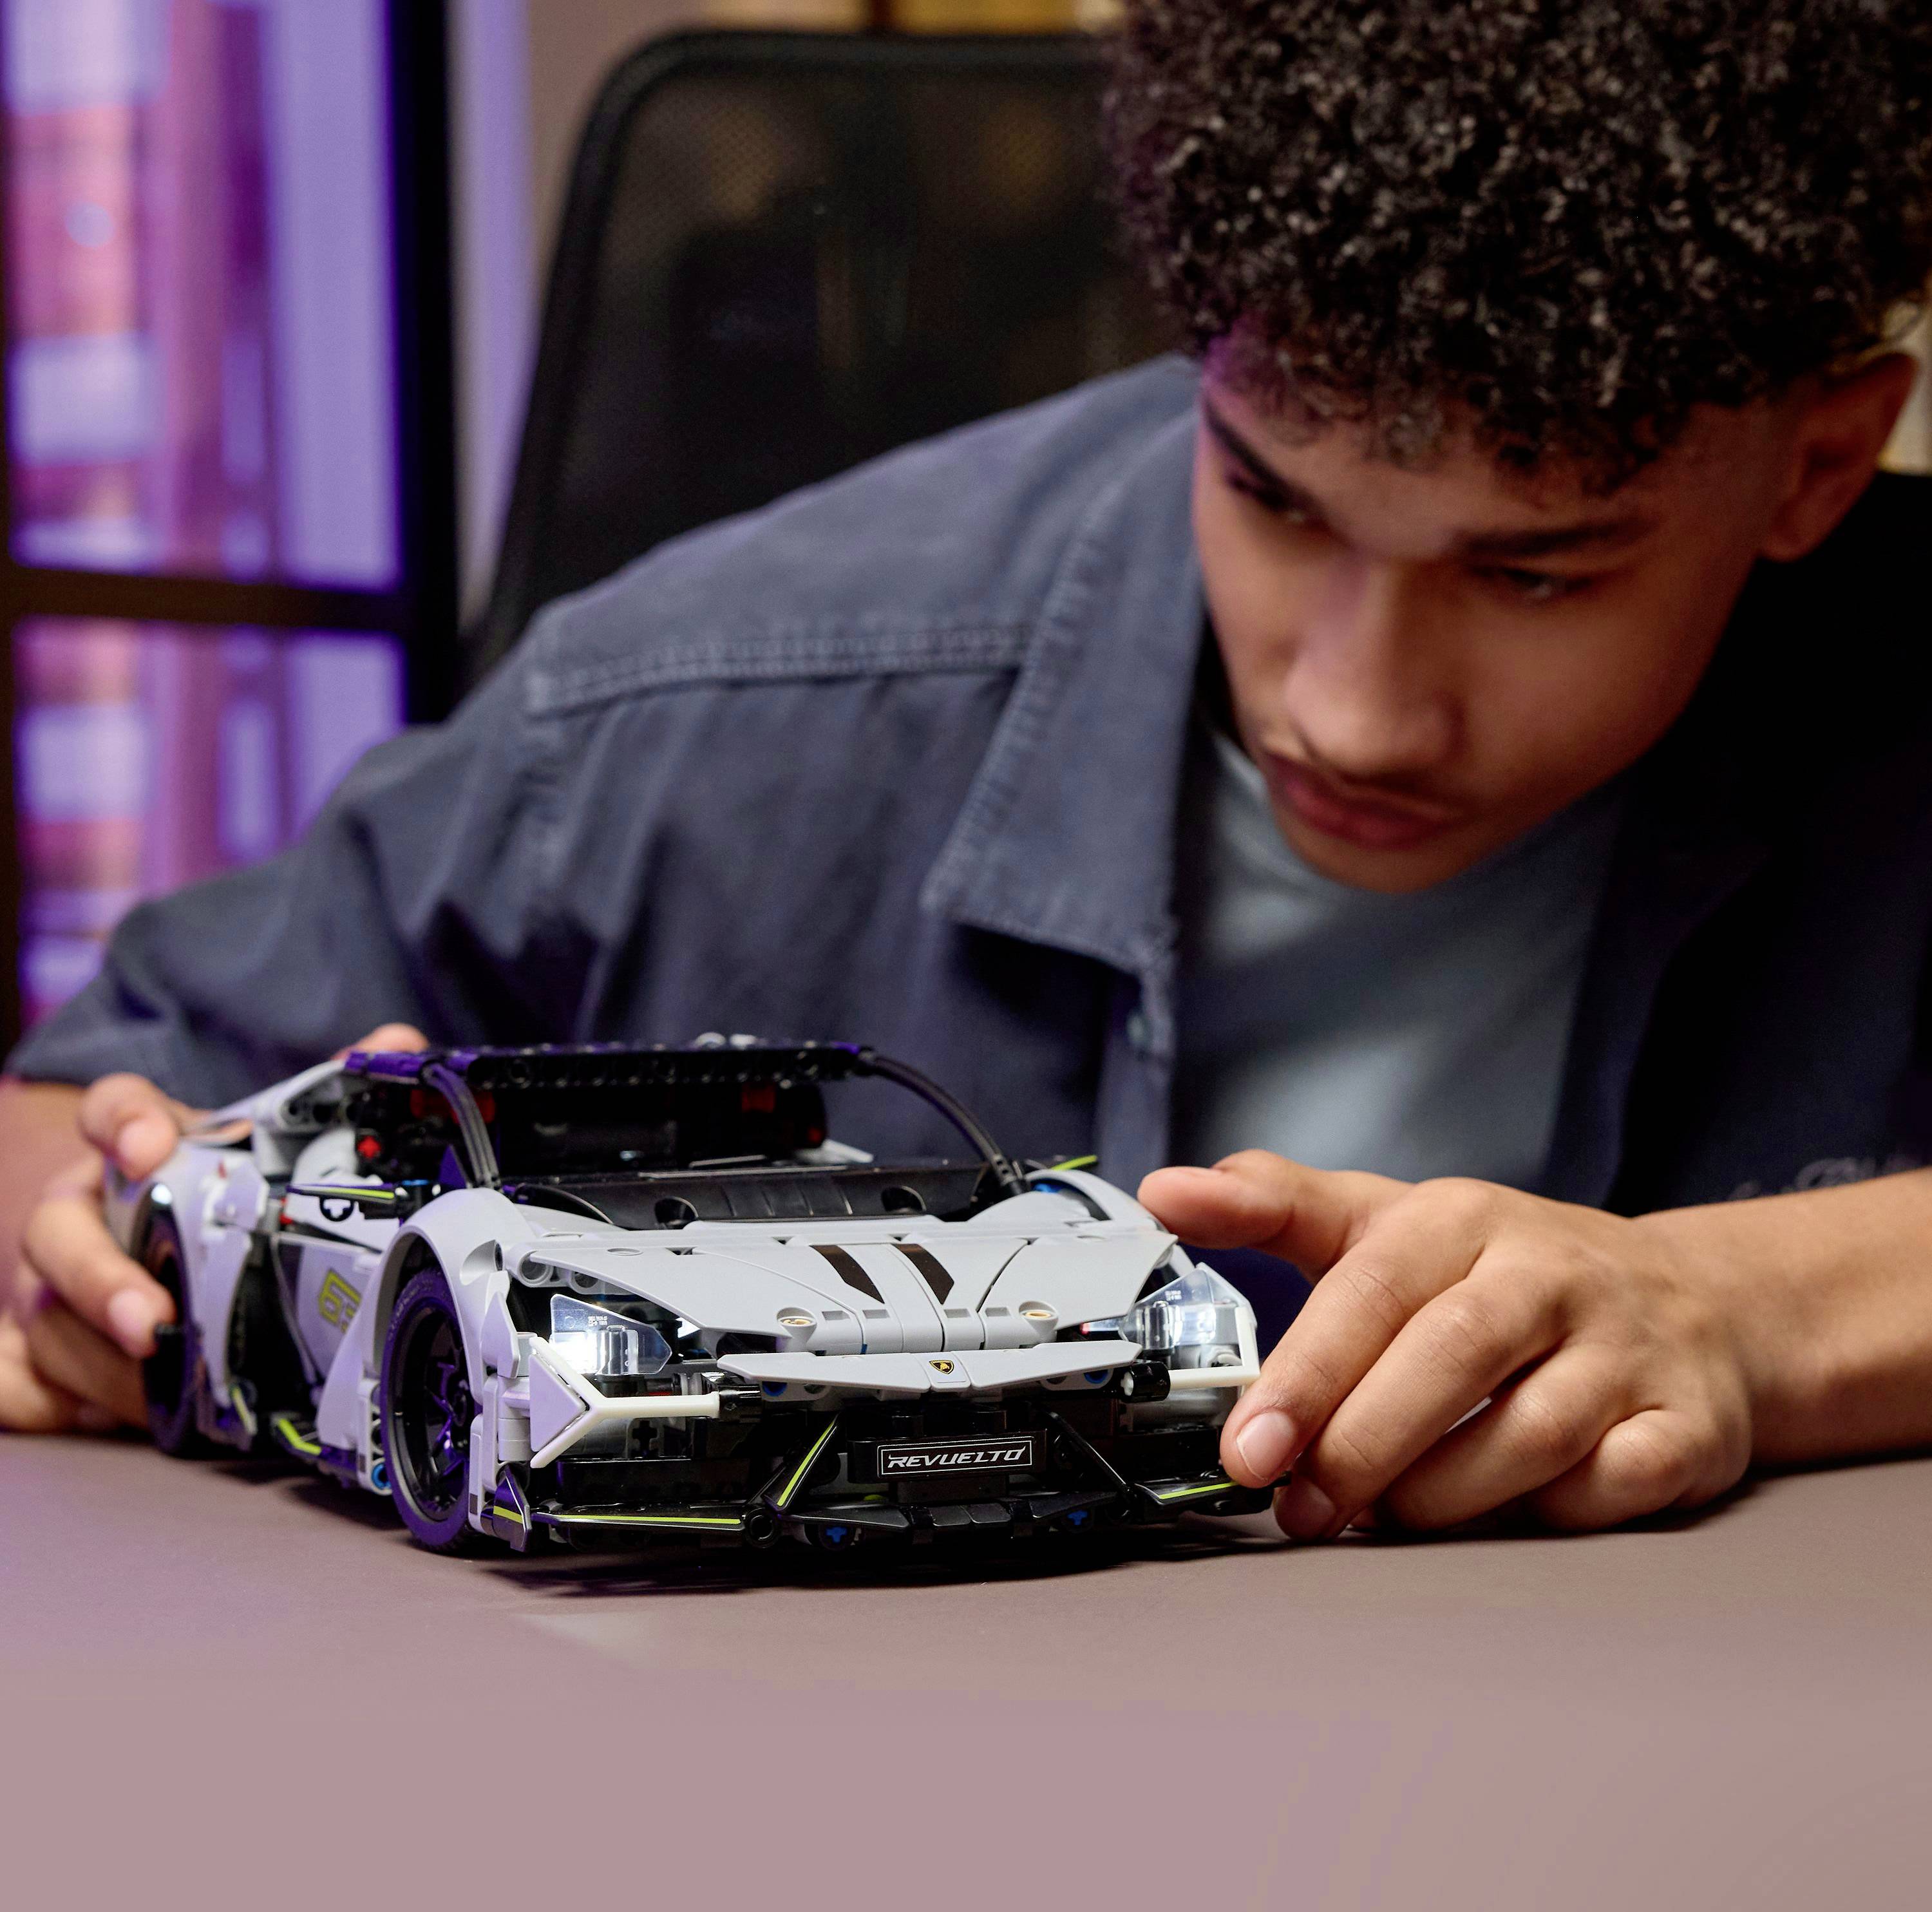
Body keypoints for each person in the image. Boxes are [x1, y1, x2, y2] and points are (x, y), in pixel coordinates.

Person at [5, 0, 1931, 1542]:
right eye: (1266, 494)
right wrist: (86, 1262)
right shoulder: (707, 714)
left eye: (1536, 571)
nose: (1349, 712)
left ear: (1820, 466)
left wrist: (1750, 1313)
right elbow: (64, 1123)